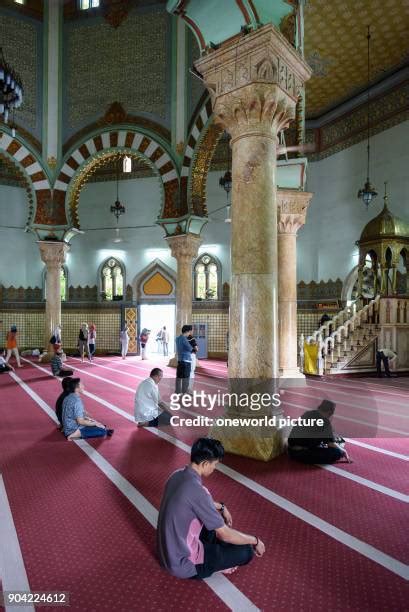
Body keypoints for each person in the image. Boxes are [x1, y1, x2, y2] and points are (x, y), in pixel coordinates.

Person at [157, 437, 265, 579]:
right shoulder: (198, 491)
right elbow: (224, 534)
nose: (214, 468)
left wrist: (221, 507)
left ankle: (215, 552)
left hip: (167, 553)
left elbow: (191, 501)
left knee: (212, 525)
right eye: (214, 465)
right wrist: (255, 540)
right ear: (205, 463)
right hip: (184, 564)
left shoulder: (176, 475)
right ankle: (218, 566)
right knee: (246, 551)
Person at [287, 400, 351, 464]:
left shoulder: (307, 413)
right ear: (330, 412)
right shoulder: (325, 422)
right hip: (303, 453)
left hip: (291, 450)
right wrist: (343, 450)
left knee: (334, 442)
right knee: (337, 452)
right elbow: (330, 442)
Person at [175, 325, 193, 395]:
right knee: (186, 377)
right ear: (187, 331)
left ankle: (178, 391)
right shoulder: (184, 339)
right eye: (190, 331)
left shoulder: (177, 338)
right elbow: (190, 348)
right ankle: (184, 392)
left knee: (179, 376)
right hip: (186, 360)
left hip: (180, 360)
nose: (190, 333)